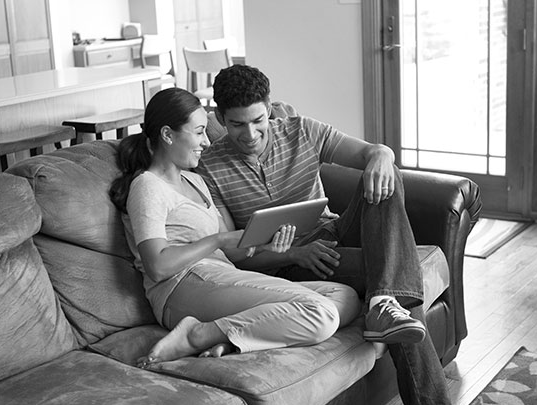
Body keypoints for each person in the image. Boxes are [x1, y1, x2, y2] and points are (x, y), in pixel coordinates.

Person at [195, 65, 497, 405]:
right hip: (286, 265)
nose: (250, 135)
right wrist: (294, 253)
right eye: (237, 125)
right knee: (405, 289)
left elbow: (376, 153)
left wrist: (383, 157)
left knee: (387, 180)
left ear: (270, 109)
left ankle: (382, 302)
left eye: (258, 121)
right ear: (220, 117)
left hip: (334, 233)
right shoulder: (210, 167)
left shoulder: (301, 130)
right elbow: (232, 256)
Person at [109, 87, 362, 365]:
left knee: (345, 297)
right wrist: (217, 241)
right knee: (321, 313)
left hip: (220, 276)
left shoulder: (196, 181)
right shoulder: (147, 186)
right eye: (199, 132)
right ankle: (197, 335)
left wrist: (262, 244)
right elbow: (157, 267)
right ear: (168, 135)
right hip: (180, 287)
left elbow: (232, 253)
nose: (206, 142)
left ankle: (229, 338)